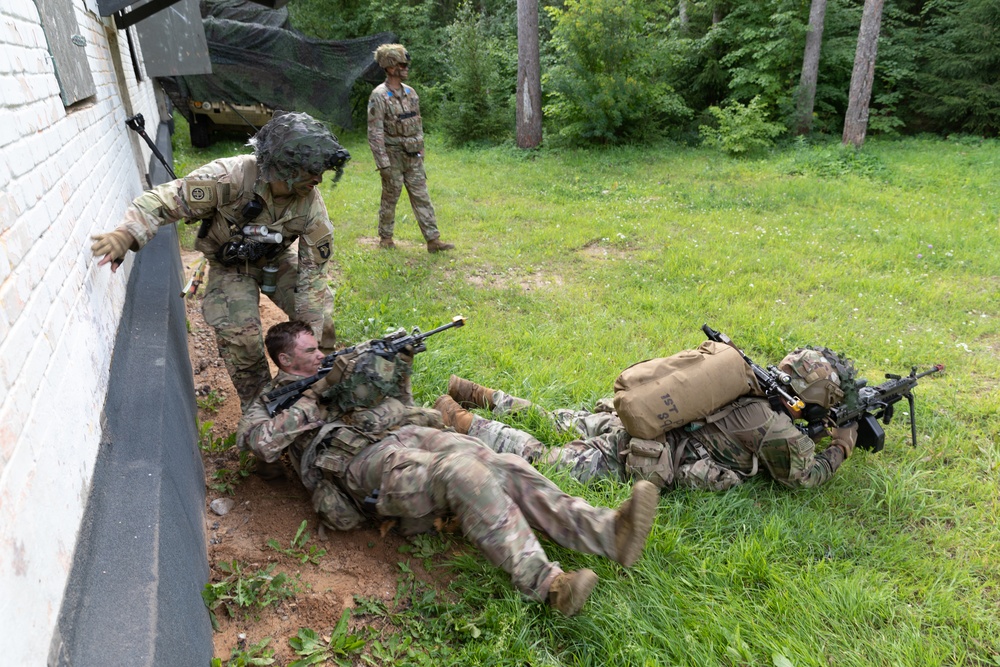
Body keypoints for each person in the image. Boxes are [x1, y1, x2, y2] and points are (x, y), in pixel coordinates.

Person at [237, 320, 658, 616]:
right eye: (311, 352)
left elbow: (401, 400)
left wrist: (398, 364)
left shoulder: (336, 369)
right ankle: (549, 585)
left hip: (406, 433)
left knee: (503, 464)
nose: (322, 355)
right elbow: (259, 444)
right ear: (286, 361)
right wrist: (318, 393)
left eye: (320, 347)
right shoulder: (273, 399)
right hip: (362, 466)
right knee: (463, 474)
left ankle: (607, 532)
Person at [91, 111, 348, 409]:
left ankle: (319, 388)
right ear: (284, 166)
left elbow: (312, 282)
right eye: (310, 171)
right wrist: (126, 234)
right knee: (243, 342)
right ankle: (263, 412)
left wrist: (309, 349)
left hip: (275, 263)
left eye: (321, 172)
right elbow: (163, 200)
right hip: (231, 268)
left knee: (322, 321)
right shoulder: (229, 178)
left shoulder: (311, 205)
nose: (317, 179)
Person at [434, 347, 860, 492]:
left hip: (639, 415)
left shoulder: (745, 381)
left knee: (560, 419)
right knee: (546, 460)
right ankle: (466, 423)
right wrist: (841, 443)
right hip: (643, 449)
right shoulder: (777, 428)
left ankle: (483, 395)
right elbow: (805, 478)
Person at [367, 43, 454, 253]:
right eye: (401, 64)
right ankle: (385, 239)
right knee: (390, 197)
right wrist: (383, 163)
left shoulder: (411, 93)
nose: (406, 68)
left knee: (422, 195)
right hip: (393, 156)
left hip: (413, 156)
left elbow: (417, 122)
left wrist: (421, 149)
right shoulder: (379, 96)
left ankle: (433, 241)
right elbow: (375, 132)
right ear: (389, 67)